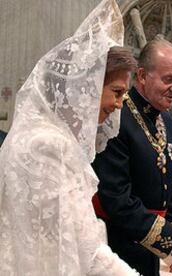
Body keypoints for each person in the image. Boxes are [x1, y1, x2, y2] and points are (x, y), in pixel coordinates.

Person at [0, 0, 140, 274]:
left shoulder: (37, 135)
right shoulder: (51, 146)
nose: (120, 104)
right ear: (86, 87)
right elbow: (89, 255)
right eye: (117, 91)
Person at [92, 35, 172, 275]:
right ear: (143, 76)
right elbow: (115, 198)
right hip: (116, 244)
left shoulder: (167, 119)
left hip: (150, 244)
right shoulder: (116, 115)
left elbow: (166, 185)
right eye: (169, 79)